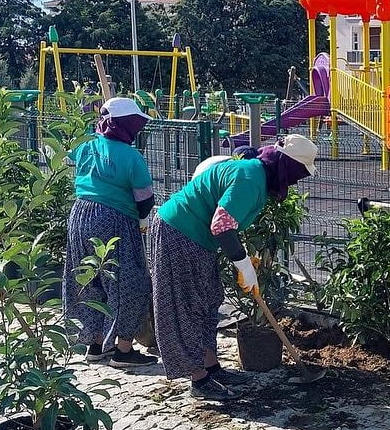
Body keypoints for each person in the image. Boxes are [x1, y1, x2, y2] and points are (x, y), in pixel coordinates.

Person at [148, 134, 318, 401]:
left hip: (197, 238)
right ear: (287, 167)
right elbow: (221, 226)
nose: (296, 182)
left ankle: (211, 367)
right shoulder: (250, 179)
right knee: (187, 304)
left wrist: (243, 259)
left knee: (208, 299)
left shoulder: (256, 177)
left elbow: (227, 224)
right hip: (178, 233)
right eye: (299, 174)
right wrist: (243, 264)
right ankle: (199, 379)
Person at [63, 97, 158, 368]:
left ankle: (94, 344)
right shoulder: (131, 157)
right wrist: (140, 220)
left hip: (80, 215)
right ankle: (123, 349)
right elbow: (145, 201)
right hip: (115, 220)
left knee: (89, 277)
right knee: (128, 282)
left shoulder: (86, 146)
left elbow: (69, 154)